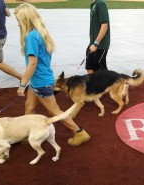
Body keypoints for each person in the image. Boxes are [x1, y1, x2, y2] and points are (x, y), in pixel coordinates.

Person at [14, 3, 90, 146]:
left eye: (18, 20)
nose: (17, 24)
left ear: (26, 19)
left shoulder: (31, 36)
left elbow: (32, 63)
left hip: (41, 82)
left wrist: (22, 84)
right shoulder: (40, 33)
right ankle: (24, 134)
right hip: (39, 80)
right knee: (29, 106)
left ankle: (79, 133)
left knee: (55, 112)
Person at [85, 0, 110, 74]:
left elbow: (104, 25)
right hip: (92, 43)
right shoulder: (93, 4)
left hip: (100, 44)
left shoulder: (100, 3)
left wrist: (96, 43)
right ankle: (94, 85)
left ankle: (118, 84)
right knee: (89, 67)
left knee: (100, 72)